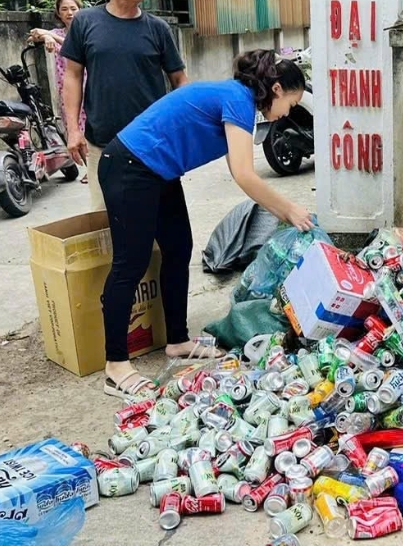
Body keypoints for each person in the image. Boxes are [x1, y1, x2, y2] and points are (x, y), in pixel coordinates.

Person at [98, 49, 314, 398]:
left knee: (179, 248)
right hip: (129, 166)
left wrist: (281, 211)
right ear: (276, 89)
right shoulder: (238, 99)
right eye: (291, 102)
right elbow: (244, 174)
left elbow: (238, 168)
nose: (288, 112)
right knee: (130, 263)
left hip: (159, 172)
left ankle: (178, 341)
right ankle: (116, 365)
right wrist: (288, 209)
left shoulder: (237, 100)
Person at [60, 0, 188, 210]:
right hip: (102, 143)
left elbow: (180, 81)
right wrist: (73, 130)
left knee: (159, 222)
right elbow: (72, 76)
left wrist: (180, 129)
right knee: (107, 222)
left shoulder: (158, 29)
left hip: (153, 142)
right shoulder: (85, 22)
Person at [29, 0, 89, 181]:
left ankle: (96, 168)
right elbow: (33, 36)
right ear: (58, 13)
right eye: (64, 9)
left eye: (73, 8)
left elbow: (77, 48)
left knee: (89, 126)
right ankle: (90, 168)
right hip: (68, 89)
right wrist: (45, 35)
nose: (69, 13)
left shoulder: (87, 31)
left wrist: (50, 35)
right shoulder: (58, 33)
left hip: (89, 83)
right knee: (74, 127)